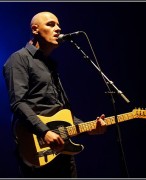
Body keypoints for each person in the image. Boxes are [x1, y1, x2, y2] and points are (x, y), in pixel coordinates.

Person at [3, 11, 107, 178]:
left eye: (58, 25)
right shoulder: (19, 59)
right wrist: (44, 131)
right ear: (35, 29)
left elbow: (59, 111)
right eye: (51, 24)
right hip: (38, 146)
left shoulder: (49, 64)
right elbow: (18, 103)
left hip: (62, 150)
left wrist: (89, 127)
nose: (58, 29)